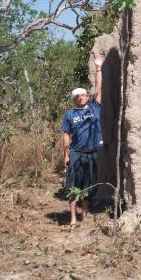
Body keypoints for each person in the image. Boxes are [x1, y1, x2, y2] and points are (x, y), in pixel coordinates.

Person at [61, 54, 103, 230]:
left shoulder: (94, 107)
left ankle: (84, 215)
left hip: (92, 153)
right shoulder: (69, 114)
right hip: (76, 153)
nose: (81, 97)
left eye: (83, 95)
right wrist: (65, 154)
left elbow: (99, 89)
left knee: (88, 185)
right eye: (77, 96)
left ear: (87, 97)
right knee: (73, 186)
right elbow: (65, 135)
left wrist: (98, 67)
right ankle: (72, 218)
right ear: (74, 99)